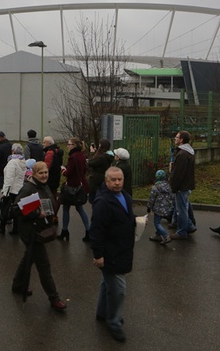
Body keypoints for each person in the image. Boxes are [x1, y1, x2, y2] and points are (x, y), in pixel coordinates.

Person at [11, 162, 67, 312]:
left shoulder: (43, 185)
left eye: (46, 172)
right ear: (34, 174)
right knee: (44, 266)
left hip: (40, 228)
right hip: (31, 232)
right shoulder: (28, 188)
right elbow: (16, 209)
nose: (44, 175)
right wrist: (36, 213)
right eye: (41, 173)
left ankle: (17, 285)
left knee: (28, 258)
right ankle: (54, 298)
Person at [90, 167, 136, 343]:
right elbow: (96, 230)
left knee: (106, 284)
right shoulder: (102, 202)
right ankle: (114, 322)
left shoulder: (124, 195)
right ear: (107, 181)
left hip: (122, 249)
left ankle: (103, 313)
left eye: (120, 179)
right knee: (119, 289)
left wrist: (136, 220)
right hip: (110, 253)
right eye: (113, 180)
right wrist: (98, 254)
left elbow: (125, 215)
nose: (117, 183)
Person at [59, 137, 91, 242]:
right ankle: (88, 231)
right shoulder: (82, 155)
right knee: (80, 208)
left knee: (65, 208)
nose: (67, 146)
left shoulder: (73, 157)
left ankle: (64, 231)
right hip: (81, 185)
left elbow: (68, 173)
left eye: (69, 144)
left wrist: (63, 170)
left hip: (72, 186)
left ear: (74, 145)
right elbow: (85, 170)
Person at [169, 131, 197, 239]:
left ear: (181, 140)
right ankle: (189, 225)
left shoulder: (182, 154)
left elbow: (178, 173)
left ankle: (182, 231)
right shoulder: (188, 152)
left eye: (177, 137)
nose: (175, 139)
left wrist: (174, 186)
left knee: (181, 209)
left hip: (182, 186)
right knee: (184, 206)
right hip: (186, 184)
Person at [0, 144, 27, 235]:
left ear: (13, 151)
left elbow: (9, 178)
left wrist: (5, 192)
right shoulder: (23, 161)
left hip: (11, 190)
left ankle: (2, 228)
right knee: (17, 210)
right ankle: (16, 228)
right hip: (19, 189)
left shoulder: (12, 162)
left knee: (5, 209)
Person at [147, 170, 173, 245]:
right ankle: (157, 235)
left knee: (156, 223)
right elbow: (172, 196)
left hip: (158, 208)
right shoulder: (168, 186)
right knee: (158, 221)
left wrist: (149, 207)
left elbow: (152, 198)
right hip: (166, 208)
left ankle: (166, 236)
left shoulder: (156, 187)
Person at [42, 136, 64, 219]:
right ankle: (54, 215)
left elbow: (46, 166)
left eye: (44, 142)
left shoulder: (49, 153)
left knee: (47, 197)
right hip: (56, 176)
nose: (43, 144)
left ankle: (49, 215)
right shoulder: (58, 151)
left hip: (49, 178)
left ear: (49, 143)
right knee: (54, 195)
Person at [87, 139, 114, 203]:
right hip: (102, 178)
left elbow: (90, 162)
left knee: (93, 199)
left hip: (96, 180)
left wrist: (92, 153)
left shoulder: (102, 158)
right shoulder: (108, 156)